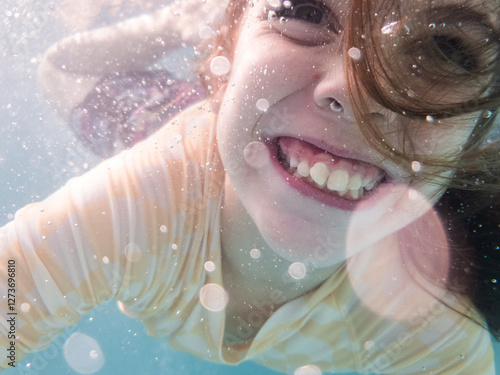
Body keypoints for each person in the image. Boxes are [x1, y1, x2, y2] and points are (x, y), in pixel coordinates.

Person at [2, 0, 500, 374]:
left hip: (277, 124)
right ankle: (184, 22)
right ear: (222, 58)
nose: (354, 91)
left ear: (476, 134)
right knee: (58, 69)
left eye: (446, 51)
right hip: (170, 123)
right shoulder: (141, 203)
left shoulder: (431, 334)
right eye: (303, 8)